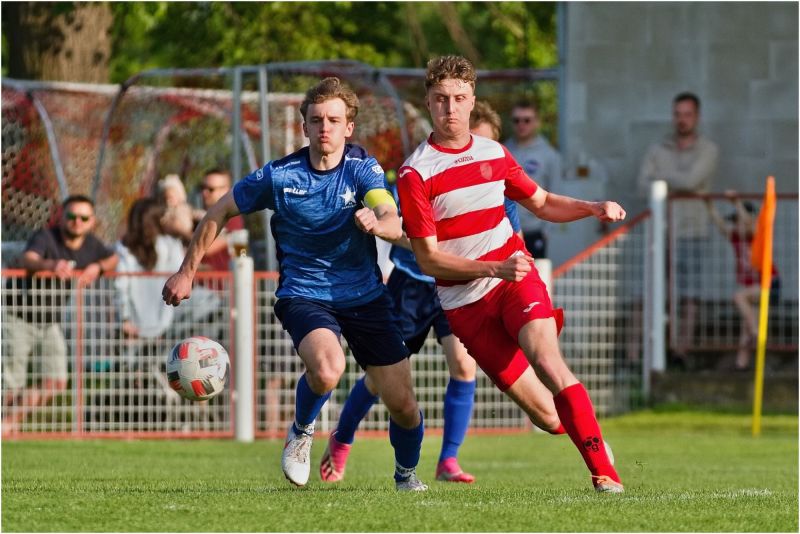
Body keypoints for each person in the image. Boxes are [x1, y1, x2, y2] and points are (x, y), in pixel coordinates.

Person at [162, 77, 428, 491]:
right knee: (327, 369)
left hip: (365, 297)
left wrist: (381, 222)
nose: (325, 128)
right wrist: (186, 270)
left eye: (334, 120)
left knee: (405, 407)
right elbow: (220, 208)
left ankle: (406, 475)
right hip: (304, 295)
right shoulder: (280, 176)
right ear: (304, 126)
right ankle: (302, 432)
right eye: (317, 119)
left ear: (348, 127)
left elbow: (386, 208)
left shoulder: (362, 169)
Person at [395, 55, 625, 493]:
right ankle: (586, 436)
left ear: (472, 100)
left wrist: (591, 207)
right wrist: (490, 268)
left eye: (459, 99)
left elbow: (541, 202)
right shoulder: (415, 172)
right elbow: (428, 260)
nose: (451, 108)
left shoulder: (494, 153)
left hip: (515, 279)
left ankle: (605, 475)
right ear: (427, 102)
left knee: (548, 360)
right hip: (465, 305)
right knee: (547, 416)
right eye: (441, 99)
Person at [319, 100, 525, 485]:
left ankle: (448, 459)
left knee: (464, 366)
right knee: (382, 378)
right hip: (412, 287)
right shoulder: (423, 172)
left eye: (485, 146)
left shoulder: (499, 186)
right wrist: (424, 247)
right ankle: (342, 437)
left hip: (462, 289)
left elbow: (513, 240)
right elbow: (393, 227)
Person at [2, 195, 118, 432]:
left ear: (92, 221)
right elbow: (27, 259)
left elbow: (113, 258)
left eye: (83, 217)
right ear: (61, 217)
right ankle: (8, 434)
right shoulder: (46, 237)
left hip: (49, 322)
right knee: (10, 385)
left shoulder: (92, 245)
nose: (77, 222)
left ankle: (7, 424)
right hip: (18, 316)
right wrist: (51, 266)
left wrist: (98, 267)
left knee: (56, 381)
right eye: (71, 216)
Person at [638, 92, 719, 366]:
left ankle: (681, 350)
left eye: (687, 114)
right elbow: (642, 184)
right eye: (677, 114)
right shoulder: (658, 148)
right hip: (660, 231)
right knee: (656, 289)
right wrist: (677, 182)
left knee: (689, 294)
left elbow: (693, 179)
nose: (682, 120)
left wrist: (661, 179)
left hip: (693, 229)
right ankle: (652, 351)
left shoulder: (708, 149)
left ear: (697, 116)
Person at [706, 192, 780, 371]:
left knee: (739, 298)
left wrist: (736, 202)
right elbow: (720, 224)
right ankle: (742, 364)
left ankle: (756, 333)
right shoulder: (736, 238)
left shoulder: (756, 236)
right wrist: (709, 205)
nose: (736, 225)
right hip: (751, 287)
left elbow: (749, 223)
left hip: (768, 284)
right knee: (744, 329)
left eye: (737, 220)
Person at [504, 99, 562, 259]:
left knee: (534, 280)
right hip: (507, 231)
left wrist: (546, 231)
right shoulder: (502, 150)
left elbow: (555, 192)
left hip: (535, 231)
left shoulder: (550, 155)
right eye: (516, 120)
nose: (521, 124)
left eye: (527, 120)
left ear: (537, 122)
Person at [197, 168, 246, 272]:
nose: (204, 193)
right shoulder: (199, 216)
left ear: (226, 190)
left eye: (210, 189)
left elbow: (205, 248)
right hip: (198, 284)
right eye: (202, 188)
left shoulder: (233, 217)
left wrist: (183, 231)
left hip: (222, 286)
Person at [157, 174, 198, 246]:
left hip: (187, 234)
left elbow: (195, 214)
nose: (168, 201)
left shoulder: (186, 208)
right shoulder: (165, 211)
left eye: (171, 197)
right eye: (166, 198)